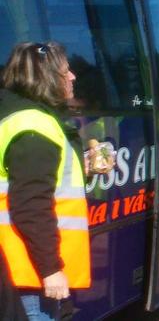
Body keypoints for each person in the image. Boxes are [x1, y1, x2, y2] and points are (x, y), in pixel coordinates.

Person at [0, 41, 90, 321]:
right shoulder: (35, 125)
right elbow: (30, 205)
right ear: (47, 77)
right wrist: (51, 269)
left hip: (22, 267)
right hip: (29, 272)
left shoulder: (20, 116)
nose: (73, 76)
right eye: (66, 71)